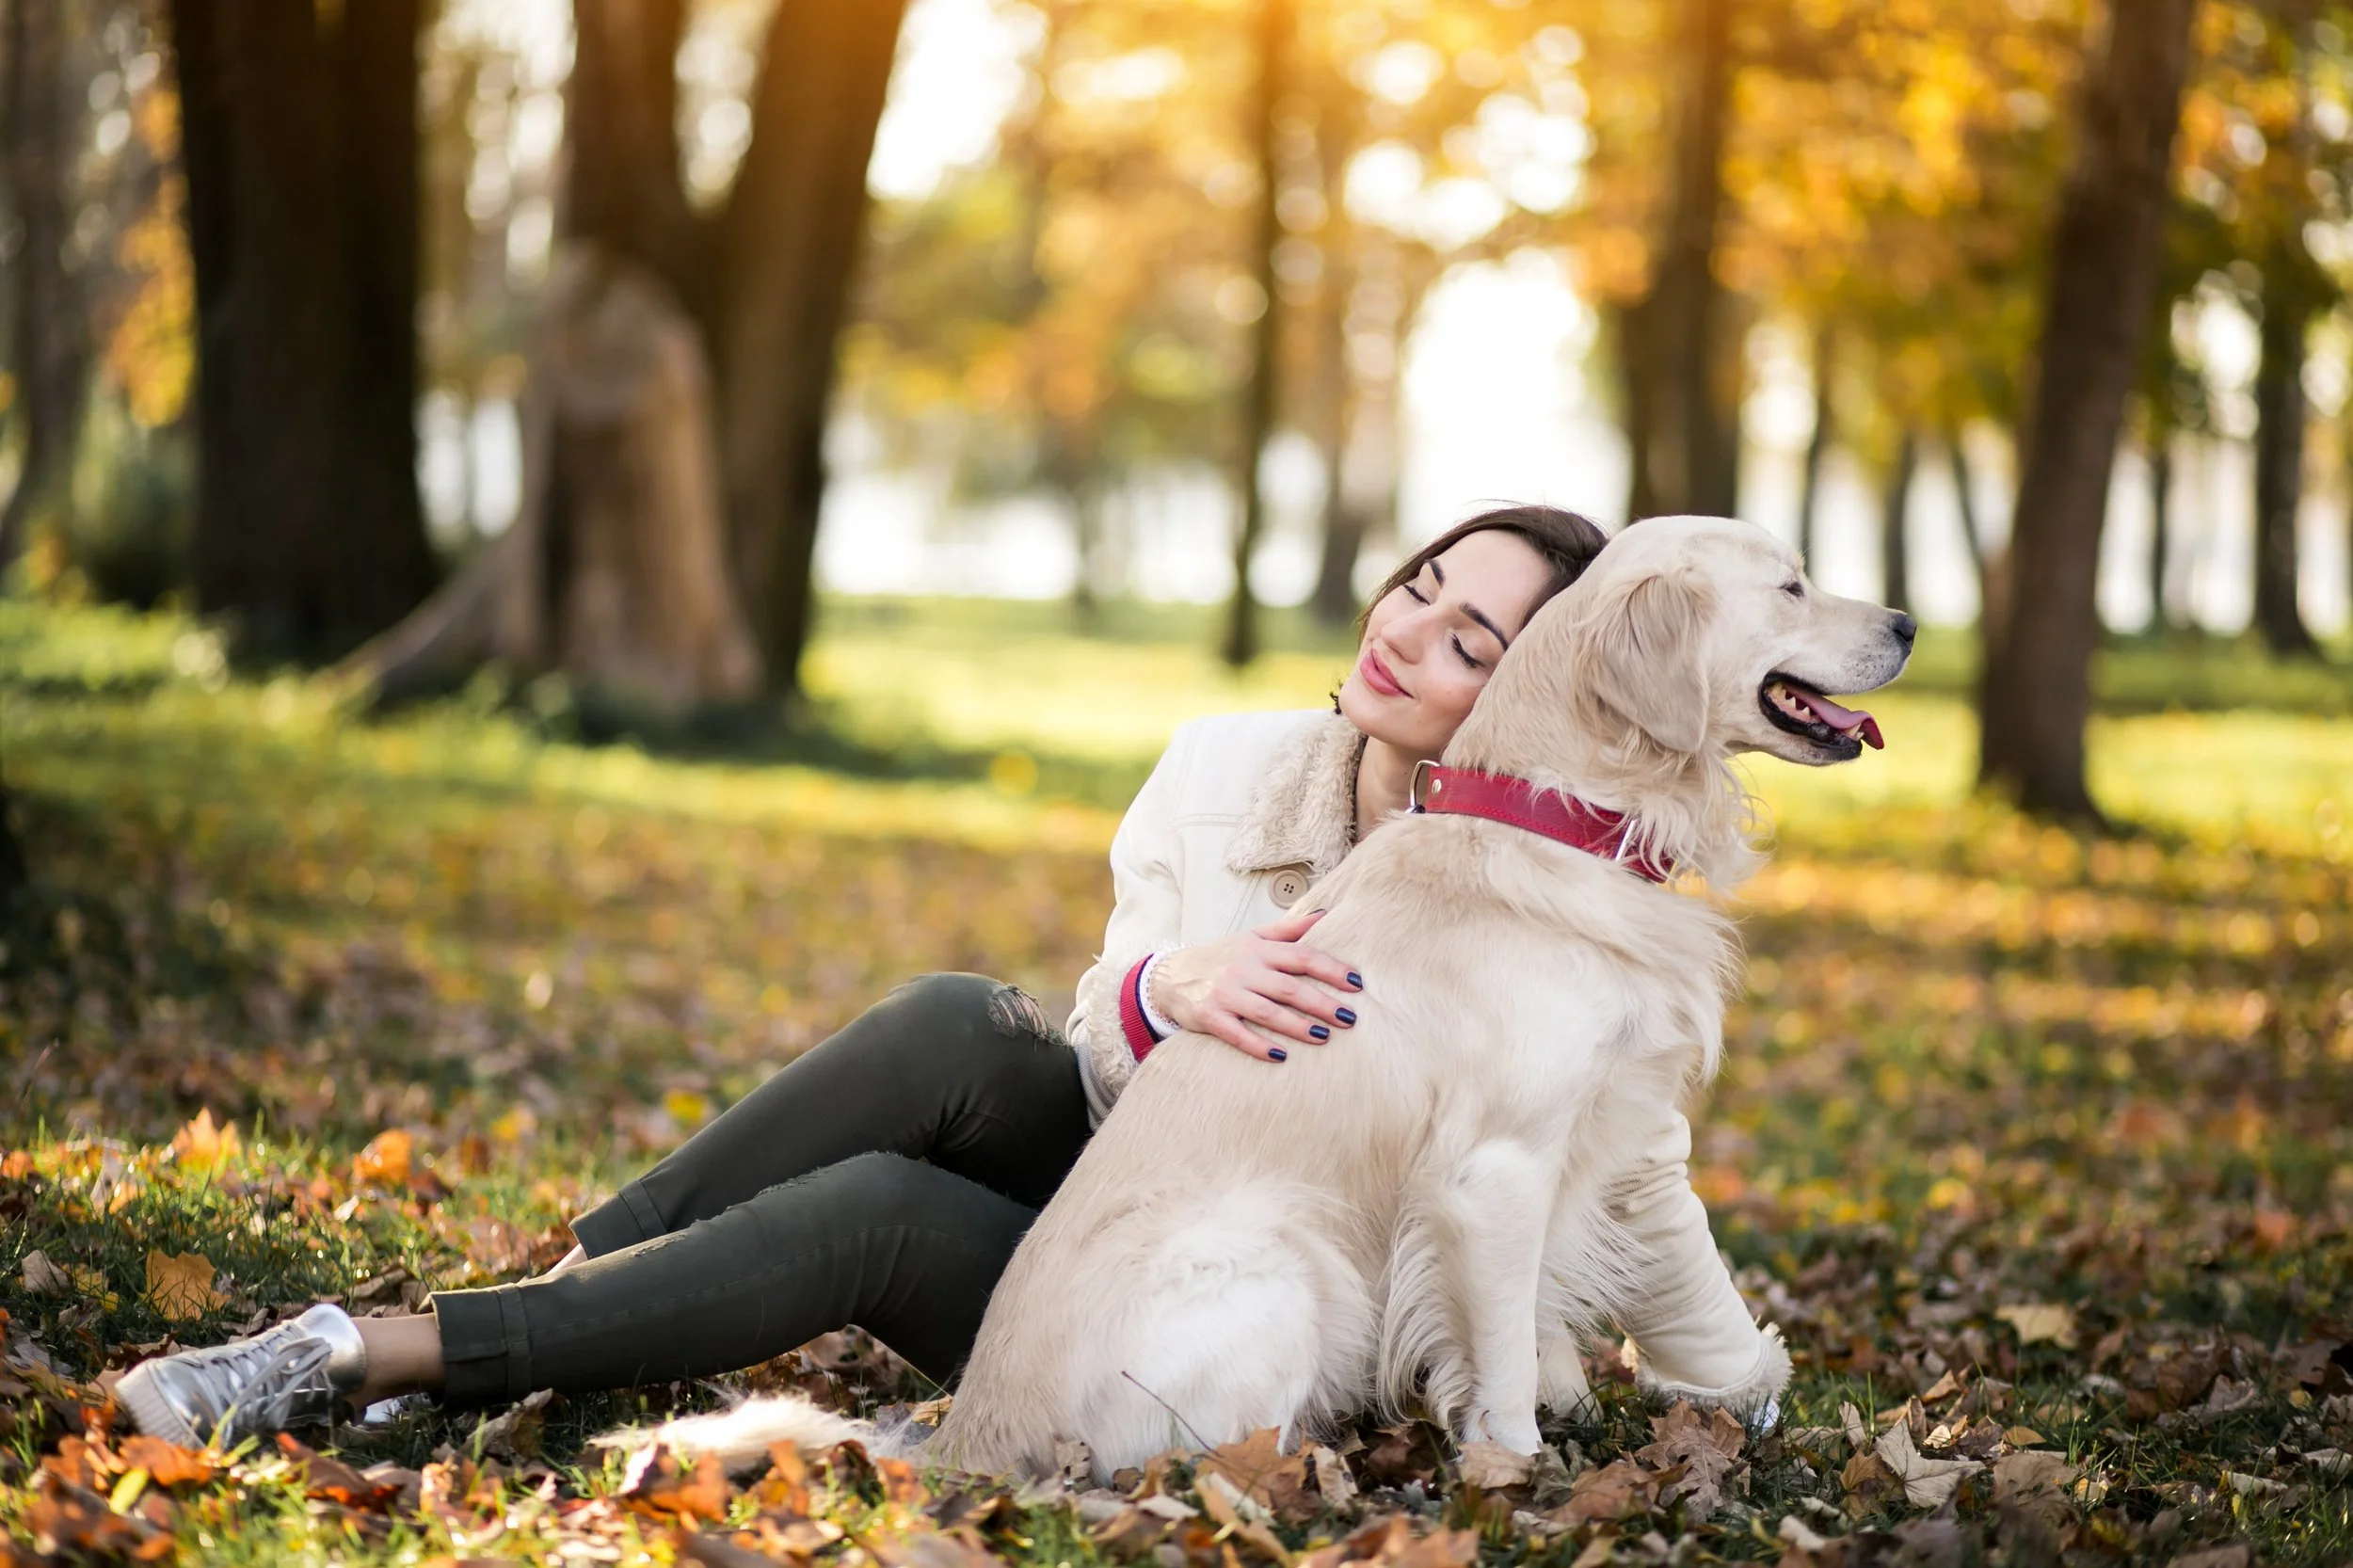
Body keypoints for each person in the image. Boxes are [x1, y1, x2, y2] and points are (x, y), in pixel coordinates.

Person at [118, 504, 1785, 1450]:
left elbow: (1619, 1161)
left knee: (882, 1216)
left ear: (1534, 686)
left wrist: (1739, 1380)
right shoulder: (1229, 768)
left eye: (1476, 638)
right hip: (1132, 1170)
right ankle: (583, 1283)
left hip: (1250, 1294)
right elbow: (1106, 1057)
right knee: (946, 1021)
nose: (1410, 632)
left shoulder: (1528, 891)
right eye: (1422, 583)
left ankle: (359, 1356)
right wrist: (1168, 988)